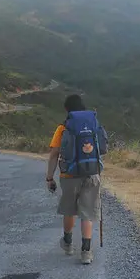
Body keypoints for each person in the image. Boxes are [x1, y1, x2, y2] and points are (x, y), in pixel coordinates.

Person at [46, 94, 106, 265]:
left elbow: (54, 154)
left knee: (69, 210)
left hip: (69, 175)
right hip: (92, 173)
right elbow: (101, 148)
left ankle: (68, 243)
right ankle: (86, 253)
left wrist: (49, 177)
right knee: (87, 212)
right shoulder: (93, 123)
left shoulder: (63, 127)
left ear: (67, 110)